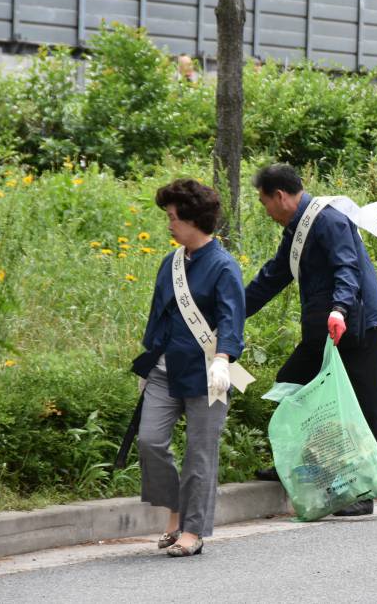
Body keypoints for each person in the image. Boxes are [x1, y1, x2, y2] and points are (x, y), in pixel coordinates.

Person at [246, 164, 377, 517]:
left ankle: (364, 493)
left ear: (280, 196)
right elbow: (273, 275)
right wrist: (231, 313)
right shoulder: (298, 229)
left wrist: (339, 308)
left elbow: (347, 269)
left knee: (360, 408)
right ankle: (298, 469)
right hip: (324, 332)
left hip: (359, 327)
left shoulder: (329, 220)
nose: (265, 211)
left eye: (264, 202)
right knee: (291, 385)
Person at [132, 179, 245, 557]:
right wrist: (147, 366)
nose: (168, 224)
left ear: (192, 219)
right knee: (149, 441)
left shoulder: (224, 267)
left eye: (172, 217)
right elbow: (158, 318)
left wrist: (223, 359)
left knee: (200, 452)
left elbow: (232, 319)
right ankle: (176, 512)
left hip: (208, 374)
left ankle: (192, 532)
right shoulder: (171, 263)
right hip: (164, 371)